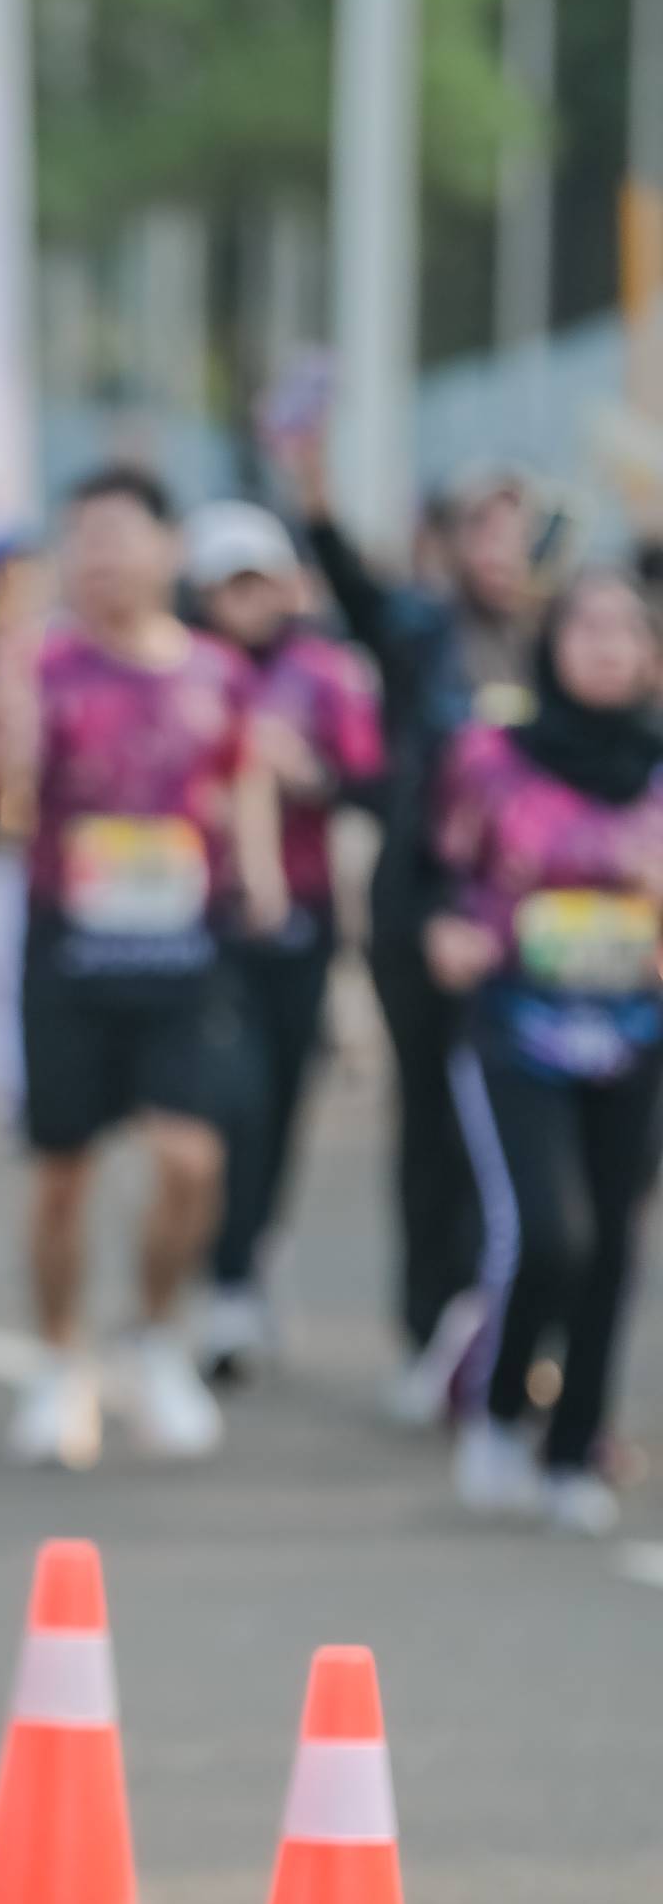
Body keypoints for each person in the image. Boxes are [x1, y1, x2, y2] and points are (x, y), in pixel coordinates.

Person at [9, 467, 288, 1469]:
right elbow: (7, 807)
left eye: (121, 535)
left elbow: (243, 771)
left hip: (186, 952)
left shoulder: (218, 671)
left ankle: (156, 1337)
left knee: (191, 1160)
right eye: (84, 537)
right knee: (62, 1177)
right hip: (69, 951)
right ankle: (58, 1361)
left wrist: (260, 869)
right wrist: (7, 703)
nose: (103, 556)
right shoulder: (43, 667)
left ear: (168, 550)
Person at [272, 415, 544, 1421]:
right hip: (421, 918)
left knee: (520, 1140)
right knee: (436, 1124)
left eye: (518, 530)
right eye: (481, 528)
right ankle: (432, 1329)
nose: (500, 549)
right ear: (448, 541)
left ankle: (502, 1330)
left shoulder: (560, 641)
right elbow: (351, 583)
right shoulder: (421, 632)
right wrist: (310, 488)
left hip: (533, 935)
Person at [425, 570, 663, 1533]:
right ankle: (496, 1409)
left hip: (636, 1038)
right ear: (551, 646)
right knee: (551, 1234)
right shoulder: (490, 756)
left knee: (613, 1246)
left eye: (627, 629)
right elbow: (432, 869)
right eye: (586, 627)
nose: (606, 645)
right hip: (517, 1030)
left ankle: (573, 1452)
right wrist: (445, 929)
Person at [181, 502, 386, 1377]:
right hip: (200, 920)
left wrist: (310, 773)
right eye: (231, 584)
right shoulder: (181, 667)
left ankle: (252, 1252)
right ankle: (223, 1274)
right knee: (229, 1102)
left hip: (299, 919)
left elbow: (370, 781)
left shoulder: (325, 673)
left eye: (260, 581)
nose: (248, 600)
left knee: (282, 1102)